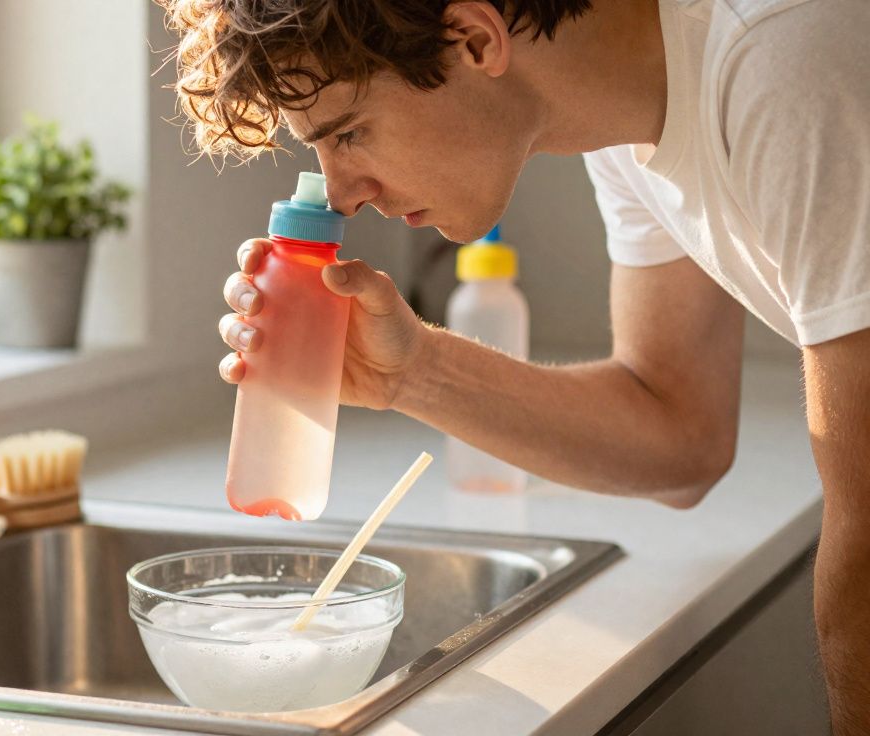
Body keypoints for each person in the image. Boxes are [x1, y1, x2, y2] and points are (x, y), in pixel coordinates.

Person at [158, 0, 870, 731]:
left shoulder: (784, 60)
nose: (340, 194)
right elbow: (681, 433)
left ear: (474, 39)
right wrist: (410, 372)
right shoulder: (624, 130)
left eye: (349, 132)